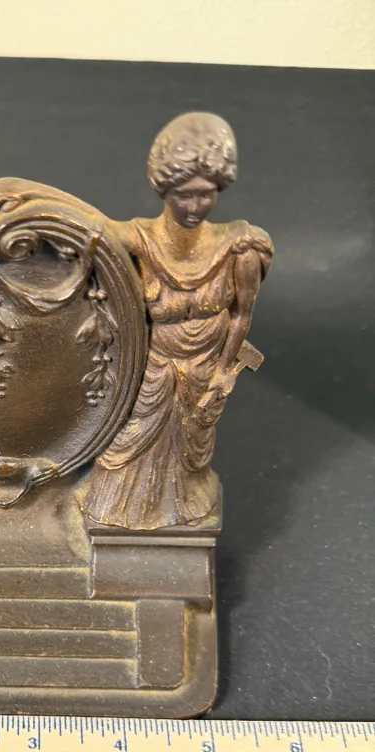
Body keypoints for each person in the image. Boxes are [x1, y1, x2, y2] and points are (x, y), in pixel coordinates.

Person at [82, 112, 273, 530]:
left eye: (206, 195)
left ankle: (184, 511)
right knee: (131, 437)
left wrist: (224, 372)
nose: (194, 206)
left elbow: (241, 314)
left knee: (191, 445)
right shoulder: (136, 239)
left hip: (204, 365)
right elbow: (86, 231)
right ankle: (119, 514)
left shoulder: (240, 247)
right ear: (164, 188)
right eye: (184, 195)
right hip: (150, 364)